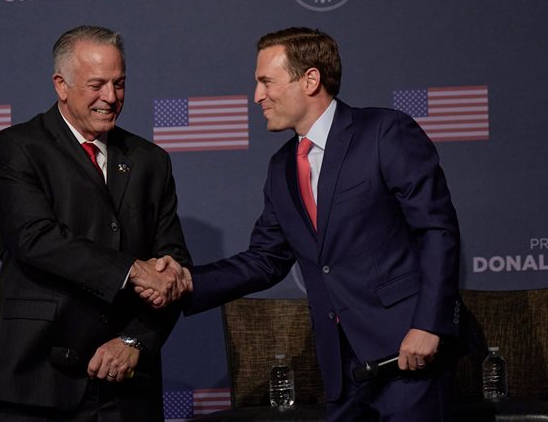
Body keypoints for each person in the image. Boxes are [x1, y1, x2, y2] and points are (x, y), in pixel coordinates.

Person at [144, 27, 463, 421]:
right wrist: (188, 281)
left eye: (266, 82)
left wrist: (428, 325)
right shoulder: (282, 168)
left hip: (409, 353)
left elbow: (437, 230)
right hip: (343, 371)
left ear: (310, 79)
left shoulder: (383, 133)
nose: (257, 96)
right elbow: (266, 259)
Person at [0, 25, 190, 421]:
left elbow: (172, 267)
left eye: (119, 83)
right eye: (97, 85)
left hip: (126, 384)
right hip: (38, 379)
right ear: (61, 84)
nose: (111, 97)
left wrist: (135, 341)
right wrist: (132, 271)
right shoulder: (16, 148)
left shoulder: (150, 160)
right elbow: (35, 239)